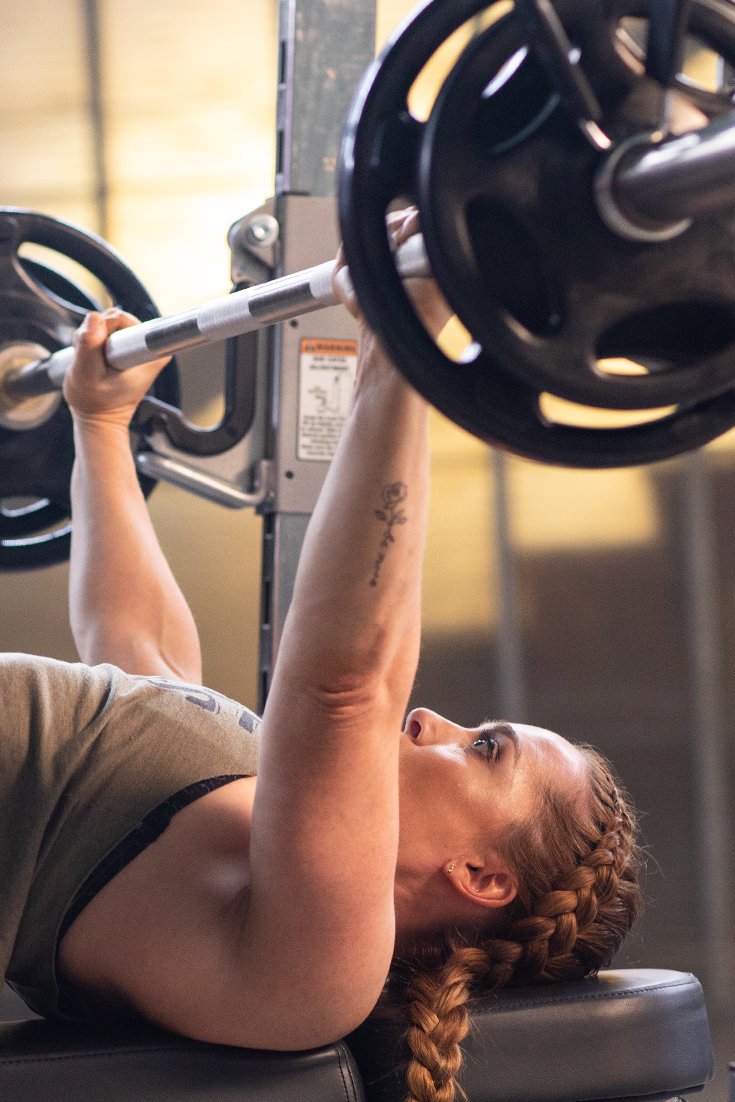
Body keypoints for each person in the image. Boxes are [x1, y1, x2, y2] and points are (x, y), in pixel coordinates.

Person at [0, 210, 642, 1102]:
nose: (431, 719)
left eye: (484, 746)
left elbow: (346, 687)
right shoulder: (258, 812)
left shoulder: (320, 976)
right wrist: (101, 428)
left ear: (481, 877)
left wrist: (399, 355)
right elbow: (135, 651)